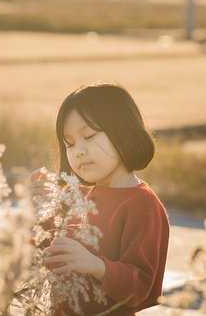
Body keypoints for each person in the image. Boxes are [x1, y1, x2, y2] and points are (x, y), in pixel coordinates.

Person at [30, 83, 170, 316]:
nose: (79, 151)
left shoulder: (142, 204)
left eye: (89, 136)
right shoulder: (75, 197)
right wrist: (38, 211)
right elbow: (42, 252)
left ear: (123, 133)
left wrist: (98, 267)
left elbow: (142, 287)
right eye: (70, 144)